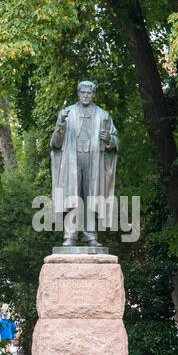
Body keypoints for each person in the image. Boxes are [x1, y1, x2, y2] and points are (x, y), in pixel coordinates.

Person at [50, 80, 119, 246]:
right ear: (78, 94)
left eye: (89, 93)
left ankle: (90, 236)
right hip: (72, 161)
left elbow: (116, 141)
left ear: (93, 94)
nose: (86, 96)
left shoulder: (103, 115)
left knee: (91, 199)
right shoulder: (68, 113)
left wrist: (109, 139)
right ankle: (70, 236)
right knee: (72, 198)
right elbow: (55, 143)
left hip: (94, 161)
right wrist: (60, 123)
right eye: (83, 93)